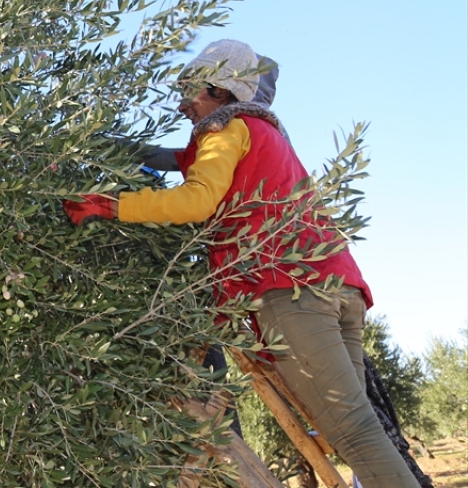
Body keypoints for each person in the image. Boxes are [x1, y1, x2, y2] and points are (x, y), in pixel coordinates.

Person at [62, 39, 420, 488]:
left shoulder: (224, 130)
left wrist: (109, 205)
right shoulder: (258, 131)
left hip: (288, 289)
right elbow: (181, 160)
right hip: (334, 284)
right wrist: (117, 147)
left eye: (191, 90)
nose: (181, 103)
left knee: (354, 432)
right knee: (357, 427)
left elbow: (198, 198)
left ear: (221, 90)